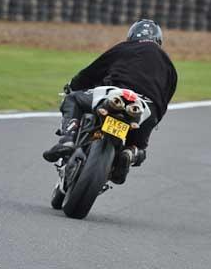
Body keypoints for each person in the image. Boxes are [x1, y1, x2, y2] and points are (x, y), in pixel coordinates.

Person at [42, 19, 178, 184]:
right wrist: (153, 119)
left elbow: (91, 72)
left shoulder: (125, 47)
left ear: (132, 35)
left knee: (73, 99)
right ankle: (130, 153)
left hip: (114, 93)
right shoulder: (170, 66)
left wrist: (72, 86)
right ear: (158, 40)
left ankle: (67, 140)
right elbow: (164, 101)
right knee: (140, 148)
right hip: (145, 108)